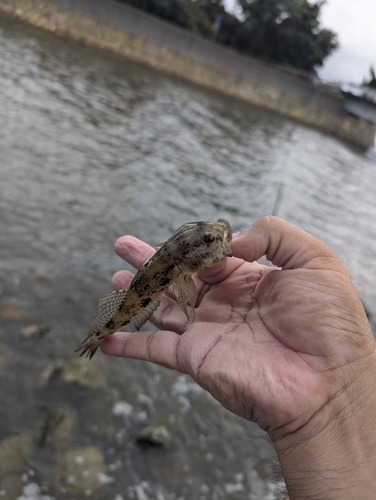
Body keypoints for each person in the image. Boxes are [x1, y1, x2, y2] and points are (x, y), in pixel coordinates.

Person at [101, 216, 376, 500]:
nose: (221, 236)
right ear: (183, 258)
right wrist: (327, 411)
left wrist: (337, 394)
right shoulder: (182, 269)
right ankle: (102, 331)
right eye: (209, 239)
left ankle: (101, 332)